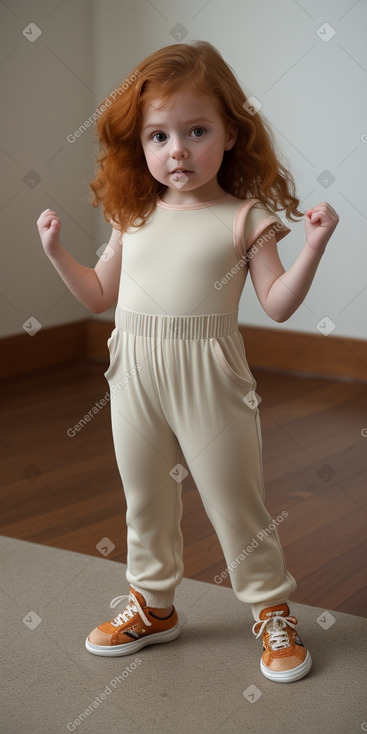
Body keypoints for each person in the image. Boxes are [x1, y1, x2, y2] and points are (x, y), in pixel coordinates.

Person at [37, 41, 339, 683]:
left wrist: (314, 246)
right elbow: (99, 294)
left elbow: (278, 304)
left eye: (196, 131)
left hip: (211, 379)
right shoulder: (133, 213)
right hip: (133, 374)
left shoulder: (243, 219)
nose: (178, 150)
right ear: (138, 145)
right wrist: (58, 254)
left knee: (236, 500)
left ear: (231, 133)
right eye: (159, 136)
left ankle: (271, 608)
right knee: (144, 498)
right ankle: (153, 605)